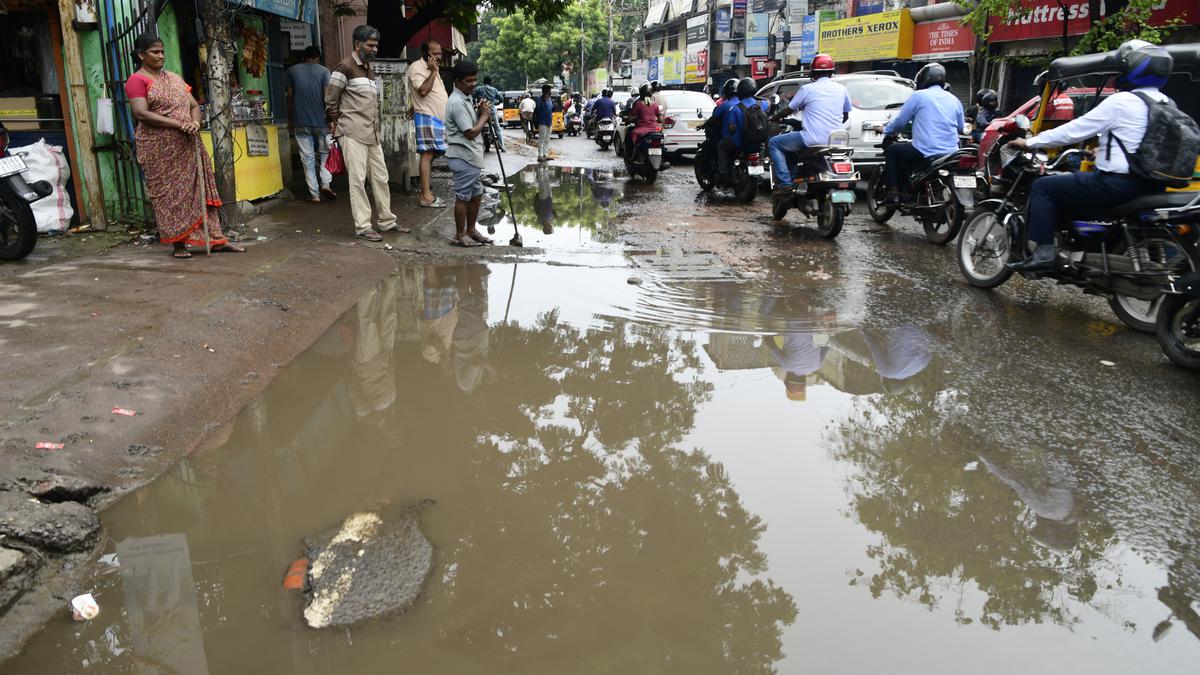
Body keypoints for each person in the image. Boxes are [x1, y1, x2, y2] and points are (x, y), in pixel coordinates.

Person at [1007, 39, 1173, 271]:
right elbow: (1143, 144)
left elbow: (1074, 130)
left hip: (1117, 185)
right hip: (1153, 185)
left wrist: (1030, 142)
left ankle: (1045, 252)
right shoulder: (1167, 103)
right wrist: (1101, 152)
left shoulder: (1121, 101)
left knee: (1044, 187)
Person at [125, 33, 244, 258]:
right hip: (159, 149)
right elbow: (141, 113)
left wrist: (194, 123)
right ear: (141, 55)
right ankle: (178, 243)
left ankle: (216, 239)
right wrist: (179, 124)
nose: (160, 56)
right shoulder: (137, 80)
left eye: (162, 51)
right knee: (169, 196)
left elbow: (194, 106)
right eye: (154, 52)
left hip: (187, 144)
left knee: (199, 191)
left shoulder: (174, 78)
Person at [326, 24, 402, 241]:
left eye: (376, 45)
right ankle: (363, 226)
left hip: (372, 133)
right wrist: (335, 121)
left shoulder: (370, 68)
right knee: (357, 180)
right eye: (371, 45)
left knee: (380, 177)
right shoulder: (344, 67)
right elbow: (330, 98)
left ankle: (387, 221)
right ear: (357, 45)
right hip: (352, 132)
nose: (375, 49)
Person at [881, 62, 964, 204]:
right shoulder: (954, 99)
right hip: (952, 152)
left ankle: (893, 193)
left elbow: (900, 122)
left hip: (926, 150)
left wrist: (885, 129)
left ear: (924, 78)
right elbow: (961, 128)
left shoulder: (919, 96)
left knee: (891, 151)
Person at [766, 54, 851, 192]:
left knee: (774, 143)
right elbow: (845, 115)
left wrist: (773, 118)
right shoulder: (842, 89)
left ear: (813, 73)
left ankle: (786, 182)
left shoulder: (807, 89)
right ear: (832, 72)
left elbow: (789, 109)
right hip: (835, 141)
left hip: (811, 139)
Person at [443, 60, 494, 247]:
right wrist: (484, 116)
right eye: (469, 81)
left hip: (471, 157)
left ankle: (471, 230)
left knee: (476, 194)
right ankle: (460, 234)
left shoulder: (464, 99)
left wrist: (479, 111)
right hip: (463, 156)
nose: (473, 84)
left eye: (475, 80)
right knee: (463, 196)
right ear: (457, 81)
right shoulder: (457, 102)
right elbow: (470, 132)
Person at [287, 46, 336, 204]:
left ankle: (314, 194)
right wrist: (332, 119)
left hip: (300, 120)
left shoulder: (292, 71)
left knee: (307, 158)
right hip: (321, 121)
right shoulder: (323, 71)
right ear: (317, 58)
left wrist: (290, 119)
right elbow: (327, 97)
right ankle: (326, 184)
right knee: (324, 153)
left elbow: (290, 97)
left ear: (304, 58)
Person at [408, 39, 448, 208]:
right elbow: (423, 91)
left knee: (431, 156)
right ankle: (425, 196)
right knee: (427, 155)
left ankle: (427, 192)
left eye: (440, 53)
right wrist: (433, 71)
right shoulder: (418, 68)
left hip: (434, 118)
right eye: (434, 53)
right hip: (427, 117)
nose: (438, 56)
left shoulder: (431, 67)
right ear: (425, 53)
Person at [720, 78, 770, 179]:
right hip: (759, 142)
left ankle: (723, 173)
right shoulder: (762, 104)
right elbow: (769, 102)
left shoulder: (736, 108)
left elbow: (731, 129)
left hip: (741, 143)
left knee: (721, 147)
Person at [625, 83, 663, 158]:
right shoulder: (655, 105)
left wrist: (630, 119)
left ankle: (632, 155)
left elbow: (631, 117)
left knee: (633, 133)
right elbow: (661, 120)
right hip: (655, 129)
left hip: (641, 130)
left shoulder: (638, 104)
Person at [535, 84, 555, 162]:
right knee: (541, 139)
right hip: (542, 122)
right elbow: (538, 109)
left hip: (549, 122)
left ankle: (545, 155)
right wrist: (544, 99)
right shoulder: (540, 99)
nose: (550, 92)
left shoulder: (549, 100)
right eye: (549, 91)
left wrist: (554, 107)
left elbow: (550, 109)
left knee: (547, 139)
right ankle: (540, 156)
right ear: (545, 92)